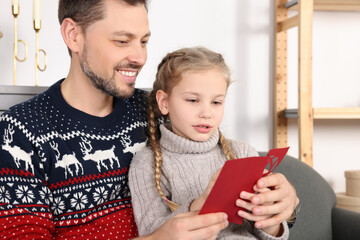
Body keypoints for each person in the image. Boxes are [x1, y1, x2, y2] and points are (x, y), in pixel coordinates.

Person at [0, 0, 297, 239]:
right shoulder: (20, 133)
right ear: (73, 35)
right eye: (122, 41)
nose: (140, 57)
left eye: (143, 41)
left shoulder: (160, 111)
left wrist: (284, 205)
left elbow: (224, 167)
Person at [128, 47, 293, 239]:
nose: (207, 113)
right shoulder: (146, 163)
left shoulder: (242, 152)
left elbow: (271, 232)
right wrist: (200, 204)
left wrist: (270, 219)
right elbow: (152, 234)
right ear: (164, 102)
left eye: (216, 102)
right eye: (193, 100)